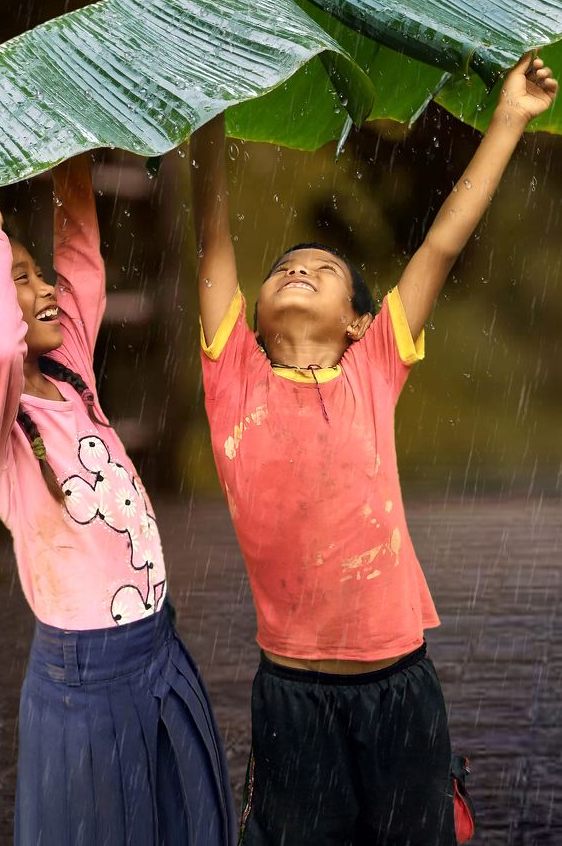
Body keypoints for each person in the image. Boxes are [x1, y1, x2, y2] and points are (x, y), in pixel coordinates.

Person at [189, 53, 557, 846]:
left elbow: (441, 246)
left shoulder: (374, 366)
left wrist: (509, 120)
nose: (298, 268)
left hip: (398, 686)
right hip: (290, 694)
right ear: (252, 318)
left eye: (322, 270)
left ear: (358, 321)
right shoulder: (234, 378)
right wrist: (209, 124)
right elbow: (211, 236)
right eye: (287, 266)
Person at [0, 158, 235, 846]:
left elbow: (82, 262)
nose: (47, 287)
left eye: (36, 272)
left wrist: (73, 165)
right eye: (19, 280)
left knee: (177, 823)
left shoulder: (66, 367)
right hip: (87, 677)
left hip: (157, 643)